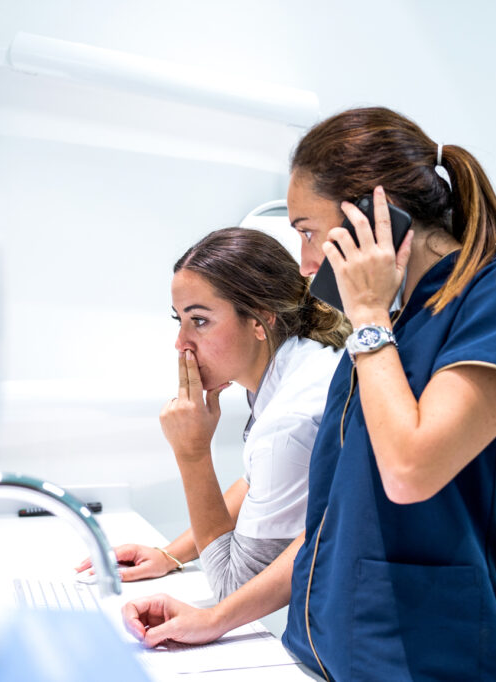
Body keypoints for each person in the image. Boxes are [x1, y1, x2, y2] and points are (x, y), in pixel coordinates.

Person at [121, 107, 496, 682]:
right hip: (325, 658)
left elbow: (411, 469)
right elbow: (326, 529)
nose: (306, 263)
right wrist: (216, 618)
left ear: (375, 216)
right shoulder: (383, 335)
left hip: (439, 662)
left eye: (308, 232)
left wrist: (367, 315)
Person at [78, 227, 346, 601]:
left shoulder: (287, 421)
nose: (180, 343)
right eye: (180, 320)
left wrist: (193, 454)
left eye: (200, 320)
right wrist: (170, 554)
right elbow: (255, 484)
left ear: (260, 321)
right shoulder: (301, 363)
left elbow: (232, 586)